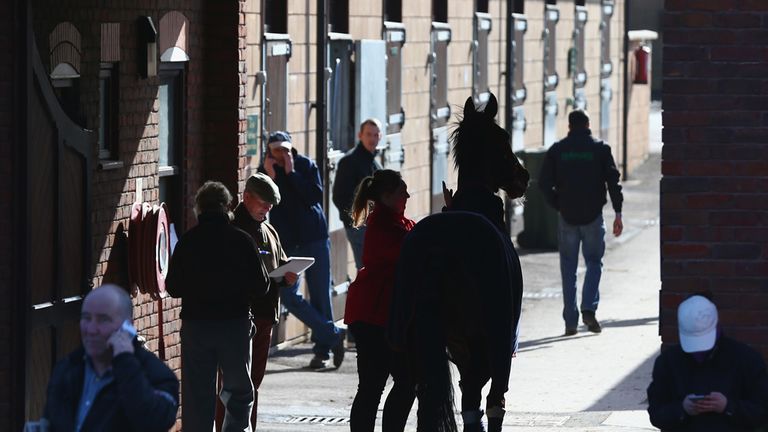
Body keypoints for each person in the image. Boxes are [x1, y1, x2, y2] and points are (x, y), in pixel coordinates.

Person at [166, 181, 269, 432]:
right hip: (234, 325)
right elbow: (262, 285)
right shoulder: (242, 240)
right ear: (227, 207)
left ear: (199, 208)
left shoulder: (188, 242)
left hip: (197, 325)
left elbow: (173, 287)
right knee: (239, 392)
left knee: (197, 394)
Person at [42, 284, 179, 432]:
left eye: (103, 320)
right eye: (86, 318)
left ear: (127, 326)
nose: (91, 329)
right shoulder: (66, 369)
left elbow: (153, 420)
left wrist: (125, 361)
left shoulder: (158, 376)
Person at [262, 131, 345, 369]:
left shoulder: (305, 165)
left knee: (320, 294)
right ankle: (332, 334)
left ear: (291, 149)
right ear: (269, 151)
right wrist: (272, 176)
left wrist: (291, 173)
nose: (281, 154)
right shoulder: (266, 171)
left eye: (285, 149)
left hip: (314, 238)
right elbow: (266, 202)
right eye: (276, 150)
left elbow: (314, 196)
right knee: (288, 295)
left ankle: (322, 352)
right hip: (287, 243)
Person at [538, 109, 624, 335]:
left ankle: (570, 322)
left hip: (567, 216)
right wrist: (618, 212)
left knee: (568, 268)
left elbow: (543, 182)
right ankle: (588, 308)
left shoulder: (558, 150)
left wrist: (558, 204)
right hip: (593, 217)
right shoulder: (600, 149)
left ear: (569, 127)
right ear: (588, 125)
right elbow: (613, 182)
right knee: (594, 262)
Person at [344, 169, 416, 432]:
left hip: (385, 314)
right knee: (374, 386)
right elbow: (413, 249)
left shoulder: (399, 223)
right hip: (373, 315)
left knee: (404, 382)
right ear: (386, 196)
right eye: (401, 191)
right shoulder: (384, 227)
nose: (407, 195)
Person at [231, 172, 298, 426]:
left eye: (270, 205)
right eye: (263, 203)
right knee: (234, 385)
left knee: (254, 382)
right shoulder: (233, 229)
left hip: (265, 316)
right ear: (247, 197)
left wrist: (288, 276)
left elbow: (279, 264)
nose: (267, 209)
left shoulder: (269, 230)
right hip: (239, 318)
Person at [647, 294, 768, 431]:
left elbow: (762, 410)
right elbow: (656, 413)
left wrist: (728, 407)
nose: (699, 351)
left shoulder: (746, 359)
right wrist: (682, 409)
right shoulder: (668, 362)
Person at [332, 118, 383, 271]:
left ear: (380, 137)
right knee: (368, 271)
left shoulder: (374, 162)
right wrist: (357, 220)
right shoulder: (350, 162)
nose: (372, 139)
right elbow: (339, 196)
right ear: (360, 135)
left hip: (373, 226)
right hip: (360, 227)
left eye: (375, 135)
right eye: (368, 134)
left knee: (374, 270)